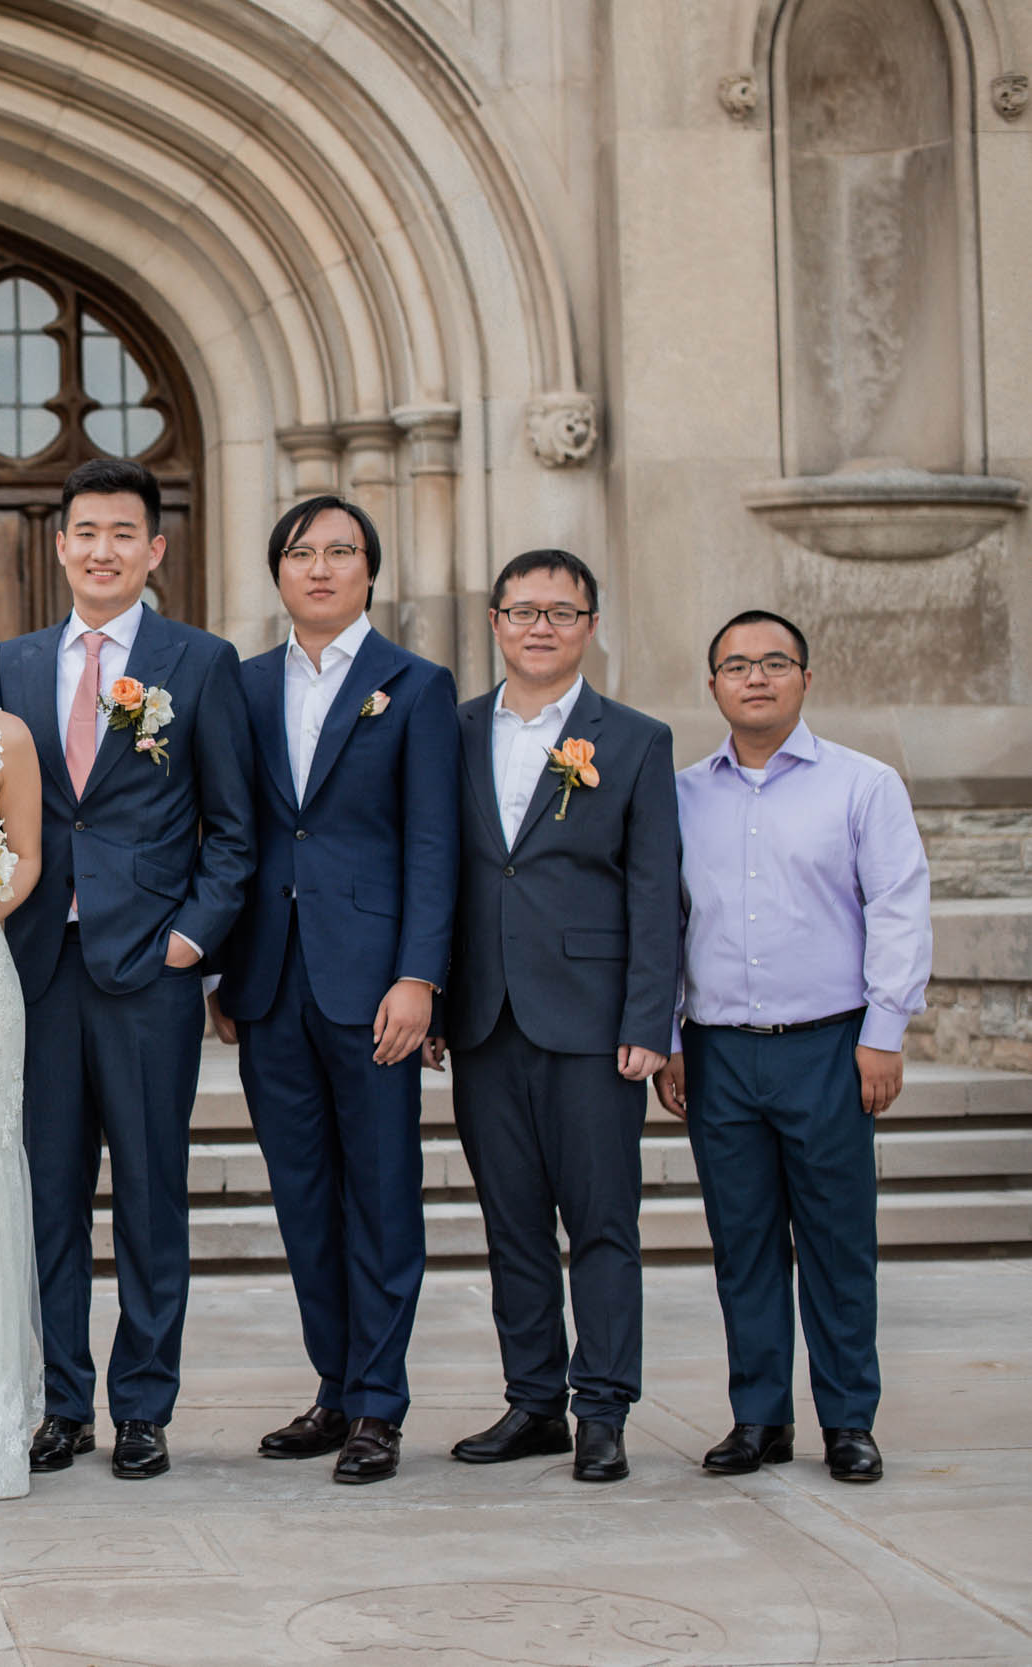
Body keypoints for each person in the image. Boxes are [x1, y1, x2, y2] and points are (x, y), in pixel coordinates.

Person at [0, 457, 256, 1482]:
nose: (102, 550)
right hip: (39, 966)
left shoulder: (202, 661)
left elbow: (233, 828)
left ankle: (143, 1404)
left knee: (148, 1194)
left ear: (155, 548)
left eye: (122, 533)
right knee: (49, 1196)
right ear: (60, 546)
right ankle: (64, 1403)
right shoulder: (14, 662)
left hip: (151, 971)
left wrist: (190, 941)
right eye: (85, 532)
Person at [209, 495, 457, 1485]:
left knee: (383, 1194)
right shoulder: (244, 683)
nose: (319, 567)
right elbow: (230, 832)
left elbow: (434, 842)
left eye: (340, 551)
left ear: (369, 572)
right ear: (277, 572)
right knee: (303, 1195)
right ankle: (336, 1384)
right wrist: (225, 968)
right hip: (270, 980)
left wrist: (419, 975)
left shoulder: (415, 685)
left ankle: (380, 1403)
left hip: (374, 985)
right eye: (301, 552)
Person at [657, 610, 930, 1486]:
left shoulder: (863, 785)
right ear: (713, 685)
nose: (757, 677)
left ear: (806, 679)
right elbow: (665, 923)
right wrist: (670, 1036)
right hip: (719, 1053)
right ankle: (760, 1416)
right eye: (737, 665)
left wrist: (884, 1032)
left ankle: (848, 1420)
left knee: (838, 1244)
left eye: (775, 662)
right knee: (742, 1243)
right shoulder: (680, 795)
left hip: (829, 1047)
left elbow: (898, 906)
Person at [428, 549, 679, 1486]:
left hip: (594, 1023)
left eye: (561, 612)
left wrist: (650, 1019)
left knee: (603, 1222)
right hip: (484, 1018)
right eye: (524, 610)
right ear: (495, 621)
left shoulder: (636, 739)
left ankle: (602, 1407)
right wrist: (436, 994)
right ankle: (533, 1400)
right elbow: (437, 869)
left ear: (590, 626)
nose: (541, 626)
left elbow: (655, 891)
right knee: (513, 1223)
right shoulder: (450, 731)